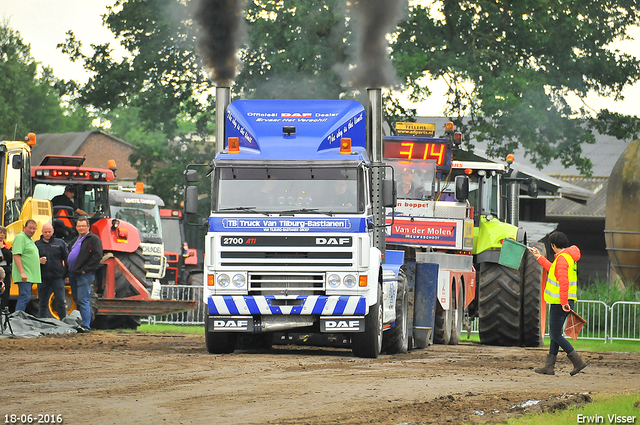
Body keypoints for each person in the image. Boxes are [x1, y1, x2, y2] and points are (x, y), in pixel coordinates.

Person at [529, 231, 588, 376]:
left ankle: (577, 361)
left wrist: (563, 302)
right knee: (555, 334)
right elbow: (553, 270)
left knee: (555, 334)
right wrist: (539, 257)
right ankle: (549, 367)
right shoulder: (568, 257)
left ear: (554, 245)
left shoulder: (562, 259)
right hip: (565, 301)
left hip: (560, 302)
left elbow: (563, 281)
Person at [67, 217, 103, 331]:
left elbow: (97, 256)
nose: (81, 228)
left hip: (84, 275)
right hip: (74, 274)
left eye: (83, 226)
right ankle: (80, 323)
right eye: (79, 226)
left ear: (88, 227)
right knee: (77, 299)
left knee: (83, 300)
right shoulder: (75, 240)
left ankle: (86, 326)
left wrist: (85, 269)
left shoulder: (93, 239)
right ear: (76, 227)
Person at [36, 222, 69, 319]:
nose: (47, 234)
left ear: (53, 231)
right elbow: (32, 260)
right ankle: (42, 321)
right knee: (42, 301)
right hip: (42, 277)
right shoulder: (37, 244)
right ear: (42, 232)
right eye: (45, 232)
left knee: (61, 301)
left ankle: (63, 321)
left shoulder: (60, 243)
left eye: (49, 232)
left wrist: (66, 274)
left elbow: (66, 259)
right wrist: (38, 261)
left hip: (58, 277)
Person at [12, 220, 42, 312]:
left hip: (30, 275)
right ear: (24, 227)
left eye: (34, 229)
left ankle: (19, 317)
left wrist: (38, 260)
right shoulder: (21, 237)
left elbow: (27, 255)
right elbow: (16, 255)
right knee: (25, 297)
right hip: (25, 274)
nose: (32, 230)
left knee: (26, 297)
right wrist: (22, 272)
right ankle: (17, 319)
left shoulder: (30, 239)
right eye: (30, 228)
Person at [0, 226, 12, 312]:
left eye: (3, 233)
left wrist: (2, 248)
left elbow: (10, 258)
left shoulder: (7, 245)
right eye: (0, 233)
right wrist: (2, 258)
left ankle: (4, 309)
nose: (2, 235)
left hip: (6, 271)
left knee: (5, 292)